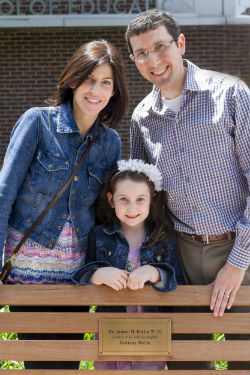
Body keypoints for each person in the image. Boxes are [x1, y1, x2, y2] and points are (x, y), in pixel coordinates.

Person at [125, 8, 250, 370]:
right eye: (141, 53)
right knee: (187, 362)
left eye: (160, 46)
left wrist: (237, 263)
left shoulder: (231, 95)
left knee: (245, 358)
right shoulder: (142, 118)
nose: (153, 60)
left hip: (240, 246)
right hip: (179, 254)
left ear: (180, 44)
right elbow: (145, 198)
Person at [0, 40, 129, 370]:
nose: (95, 90)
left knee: (69, 362)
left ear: (114, 92)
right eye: (89, 79)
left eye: (105, 82)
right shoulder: (38, 123)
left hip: (76, 273)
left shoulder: (109, 143)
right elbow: (4, 193)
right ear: (73, 80)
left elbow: (104, 212)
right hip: (29, 271)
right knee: (41, 362)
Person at [73, 158, 184, 371]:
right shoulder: (100, 236)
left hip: (151, 332)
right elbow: (82, 276)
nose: (132, 207)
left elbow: (175, 280)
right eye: (124, 199)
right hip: (111, 330)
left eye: (140, 199)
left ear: (151, 199)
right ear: (111, 199)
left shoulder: (163, 238)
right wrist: (99, 274)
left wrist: (154, 272)